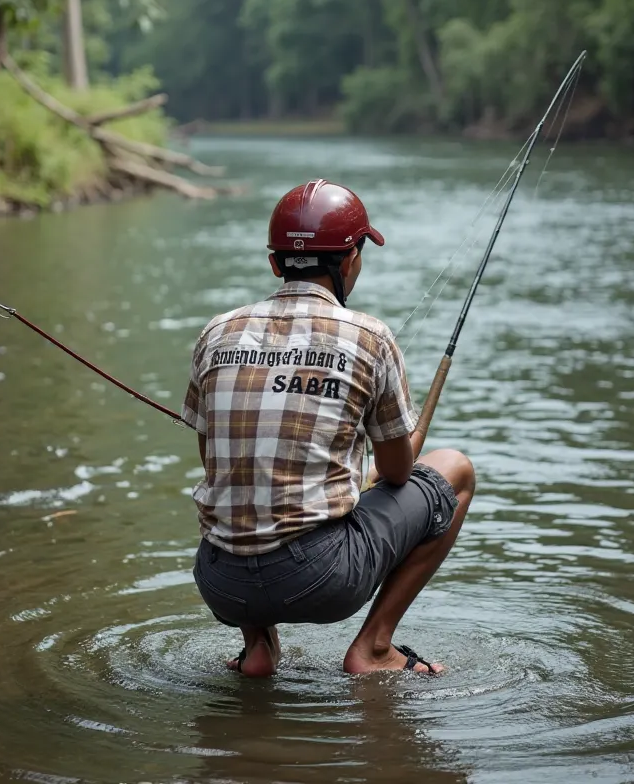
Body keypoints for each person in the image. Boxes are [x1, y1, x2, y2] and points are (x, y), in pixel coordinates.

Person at [181, 179, 475, 677]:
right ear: (350, 261)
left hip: (220, 583)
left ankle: (257, 647)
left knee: (242, 495)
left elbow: (215, 463)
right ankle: (374, 648)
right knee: (455, 471)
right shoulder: (370, 337)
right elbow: (399, 473)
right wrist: (391, 453)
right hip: (321, 580)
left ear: (275, 263)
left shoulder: (217, 331)